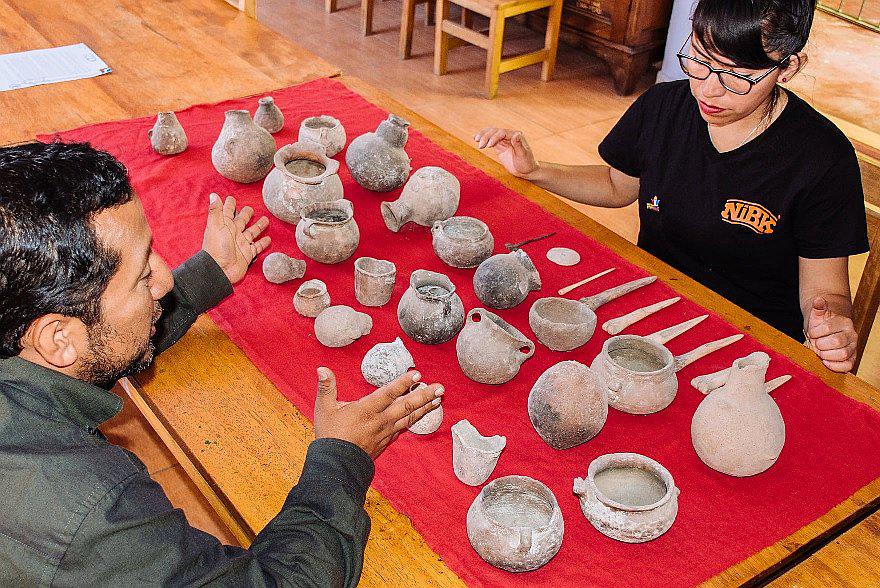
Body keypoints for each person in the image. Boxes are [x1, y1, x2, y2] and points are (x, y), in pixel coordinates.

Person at [0, 141, 443, 586]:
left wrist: (209, 274)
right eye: (141, 275)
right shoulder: (89, 514)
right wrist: (342, 457)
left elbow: (92, 345)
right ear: (57, 337)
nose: (165, 276)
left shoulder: (24, 329)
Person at [475, 0, 868, 373]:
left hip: (747, 350)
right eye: (700, 59)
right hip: (648, 317)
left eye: (736, 76)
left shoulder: (822, 158)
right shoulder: (665, 106)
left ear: (788, 67)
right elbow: (617, 184)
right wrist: (536, 171)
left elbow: (826, 294)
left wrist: (832, 329)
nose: (708, 90)